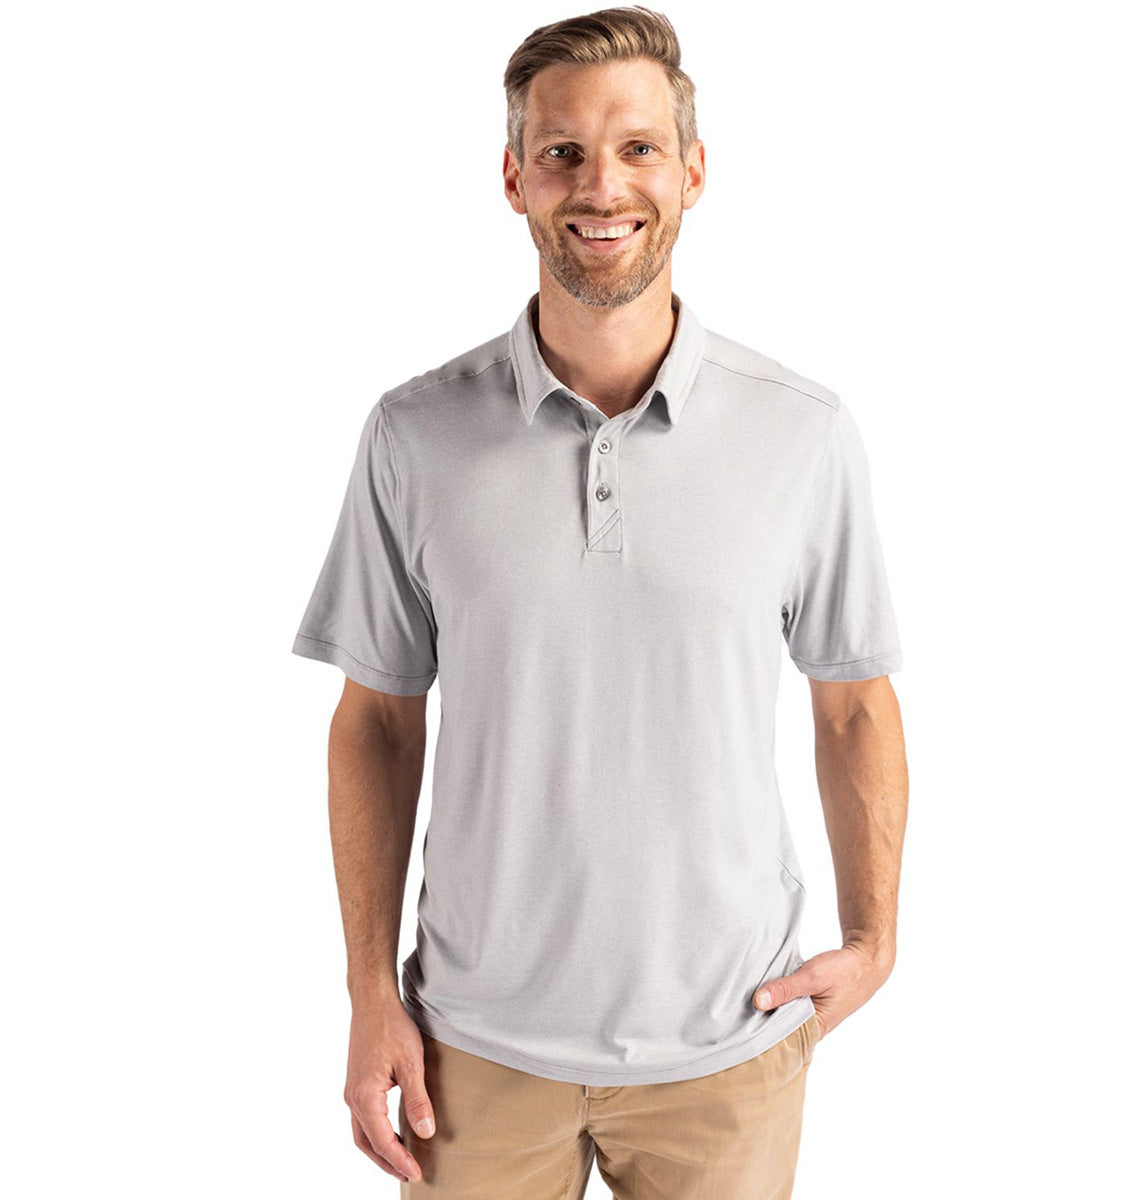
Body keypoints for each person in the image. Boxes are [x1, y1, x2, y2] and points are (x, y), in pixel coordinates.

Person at [290, 7, 909, 1195]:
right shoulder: (414, 434)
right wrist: (370, 991)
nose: (601, 186)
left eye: (637, 149)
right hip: (469, 1048)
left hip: (730, 1043)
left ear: (694, 172)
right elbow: (376, 723)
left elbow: (854, 705)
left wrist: (875, 939)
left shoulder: (803, 433)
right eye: (563, 152)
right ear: (513, 178)